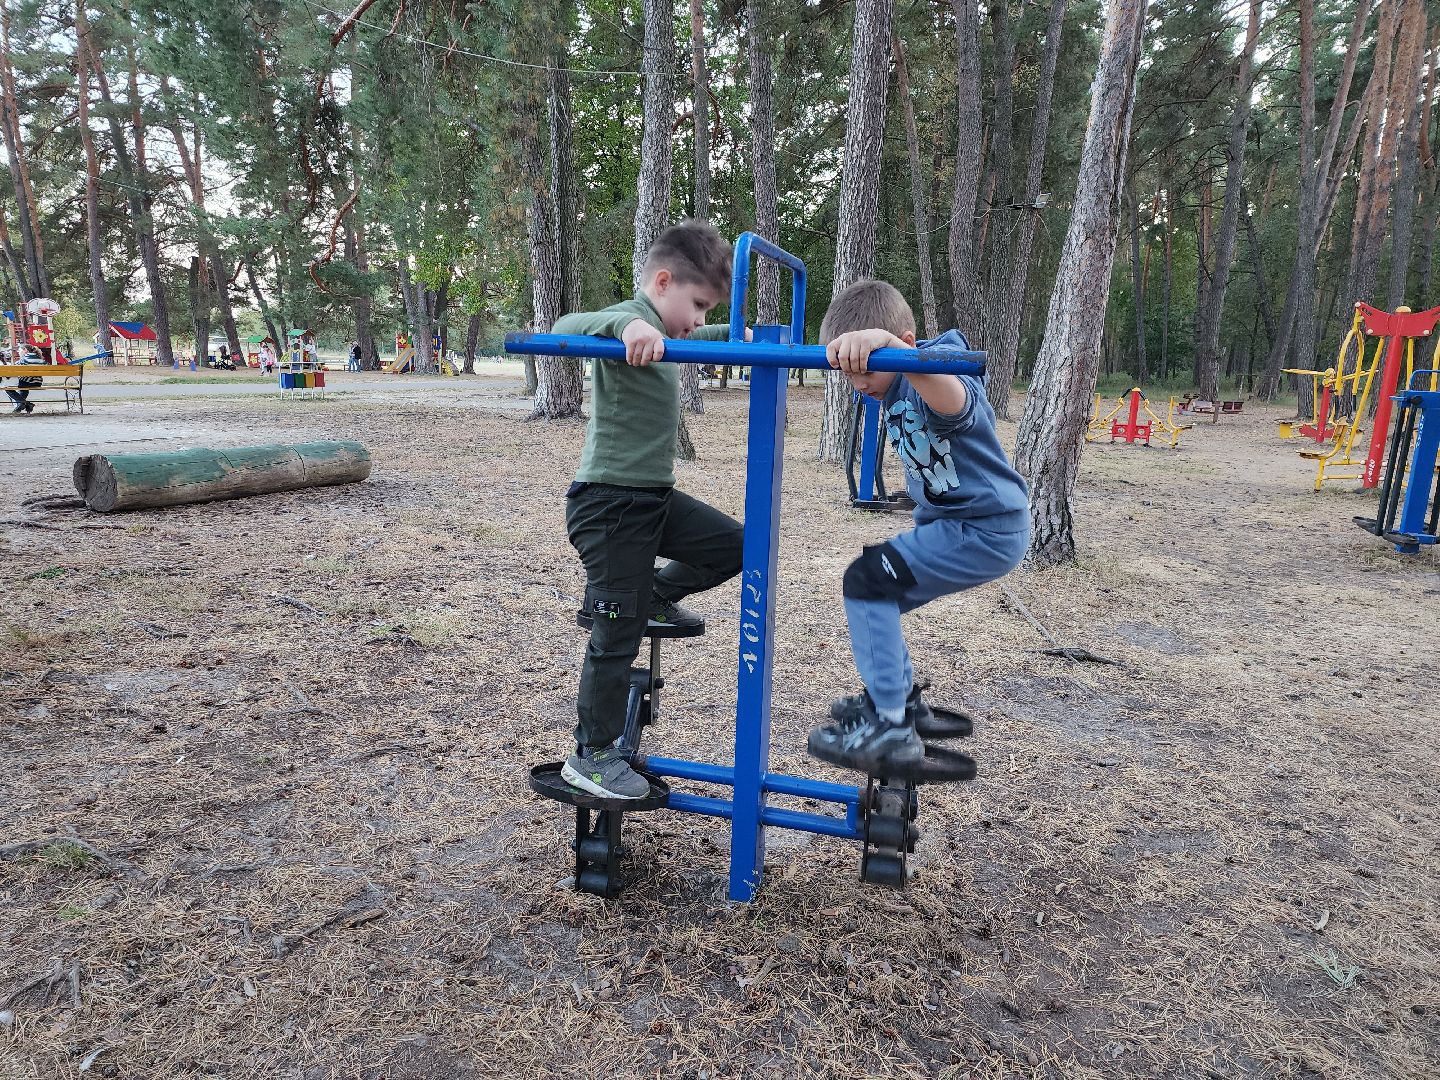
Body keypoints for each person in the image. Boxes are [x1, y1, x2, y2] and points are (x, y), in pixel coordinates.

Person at [552, 219, 745, 800]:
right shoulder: (627, 326)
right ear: (663, 283)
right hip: (609, 506)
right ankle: (592, 756)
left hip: (653, 502)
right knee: (617, 634)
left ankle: (659, 594)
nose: (701, 320)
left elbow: (704, 339)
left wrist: (756, 334)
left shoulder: (670, 335)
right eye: (700, 305)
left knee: (741, 544)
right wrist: (625, 323)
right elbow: (564, 327)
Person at [805, 280, 1031, 774]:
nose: (859, 381)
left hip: (986, 527)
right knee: (874, 596)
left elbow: (953, 401)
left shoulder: (936, 365)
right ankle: (899, 700)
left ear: (907, 341)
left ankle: (889, 723)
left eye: (867, 368)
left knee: (865, 580)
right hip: (954, 527)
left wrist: (894, 353)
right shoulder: (888, 386)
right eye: (848, 373)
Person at [5, 345, 45, 414]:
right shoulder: (41, 359)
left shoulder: (24, 359)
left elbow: (13, 369)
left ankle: (25, 404)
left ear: (25, 350)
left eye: (20, 350)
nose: (18, 352)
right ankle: (20, 407)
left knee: (7, 388)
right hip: (37, 383)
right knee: (23, 388)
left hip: (25, 383)